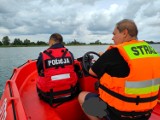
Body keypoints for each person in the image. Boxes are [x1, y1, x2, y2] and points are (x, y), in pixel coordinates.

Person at [78, 19, 160, 120]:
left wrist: (103, 58)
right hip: (146, 112)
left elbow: (92, 71)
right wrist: (104, 57)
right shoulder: (152, 52)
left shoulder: (115, 52)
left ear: (125, 33)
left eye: (114, 34)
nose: (112, 38)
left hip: (119, 114)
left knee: (82, 96)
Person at [36, 33, 79, 106]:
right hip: (71, 93)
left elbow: (39, 70)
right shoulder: (69, 54)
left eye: (49, 42)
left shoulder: (43, 55)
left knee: (39, 78)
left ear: (52, 41)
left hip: (48, 96)